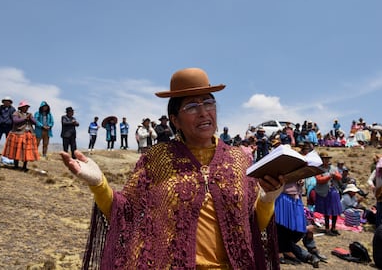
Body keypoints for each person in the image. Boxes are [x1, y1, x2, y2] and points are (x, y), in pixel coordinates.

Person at [61, 67, 285, 269]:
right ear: (175, 120)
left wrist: (268, 199)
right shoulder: (158, 159)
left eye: (208, 103)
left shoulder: (239, 159)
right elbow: (126, 213)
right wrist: (99, 184)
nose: (204, 112)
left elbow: (252, 227)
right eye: (192, 106)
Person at [2, 100, 39, 171]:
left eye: (27, 107)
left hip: (28, 134)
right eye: (25, 107)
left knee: (26, 151)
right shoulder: (16, 113)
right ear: (21, 107)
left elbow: (35, 122)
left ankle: (24, 166)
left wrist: (30, 118)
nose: (26, 108)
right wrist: (25, 118)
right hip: (18, 134)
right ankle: (16, 165)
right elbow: (15, 121)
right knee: (16, 149)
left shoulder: (29, 114)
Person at [314, 151, 342, 236]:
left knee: (335, 210)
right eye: (324, 159)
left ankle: (333, 227)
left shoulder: (333, 168)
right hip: (324, 191)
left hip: (333, 190)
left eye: (327, 159)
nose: (326, 161)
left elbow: (339, 176)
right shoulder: (318, 169)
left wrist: (334, 175)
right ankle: (327, 228)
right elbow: (319, 180)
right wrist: (329, 176)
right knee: (327, 211)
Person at [367, 156, 382, 227]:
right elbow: (369, 180)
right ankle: (378, 227)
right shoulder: (376, 172)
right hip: (380, 193)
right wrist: (372, 185)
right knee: (379, 210)